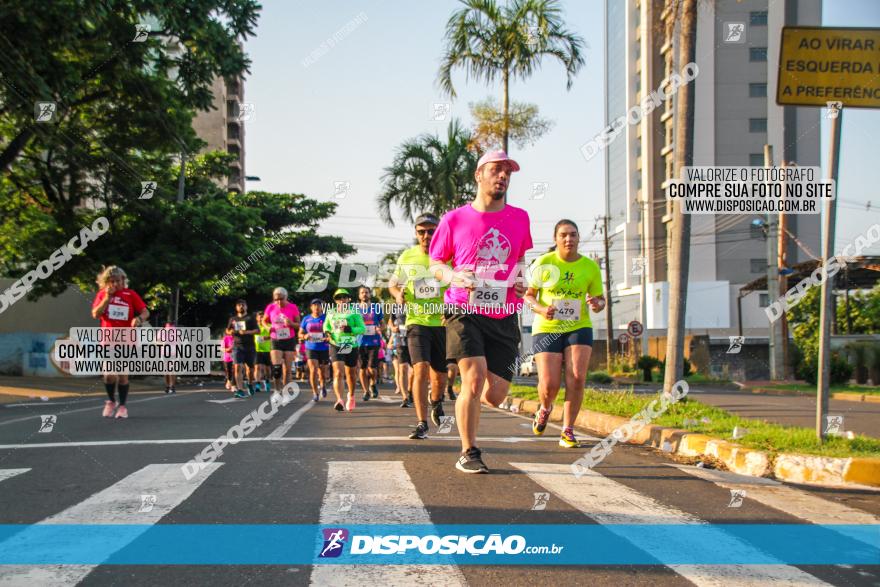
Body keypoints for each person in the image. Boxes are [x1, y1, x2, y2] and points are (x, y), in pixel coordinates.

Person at [429, 150, 532, 473]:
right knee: (472, 379)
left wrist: (520, 280)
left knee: (496, 395)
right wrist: (453, 276)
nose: (502, 176)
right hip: (463, 309)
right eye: (496, 170)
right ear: (478, 175)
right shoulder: (454, 219)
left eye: (507, 173)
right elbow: (436, 264)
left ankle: (467, 403)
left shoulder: (520, 217)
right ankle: (468, 451)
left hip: (503, 313)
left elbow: (518, 260)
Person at [524, 219, 605, 448]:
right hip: (548, 327)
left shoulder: (589, 267)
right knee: (550, 385)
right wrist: (541, 309)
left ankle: (567, 431)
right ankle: (545, 408)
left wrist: (597, 303)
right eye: (563, 235)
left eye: (573, 234)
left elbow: (600, 300)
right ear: (556, 239)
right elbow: (528, 296)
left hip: (578, 326)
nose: (568, 239)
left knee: (577, 377)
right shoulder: (543, 263)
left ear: (579, 238)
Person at [389, 213, 449, 440]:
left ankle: (437, 401)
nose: (426, 235)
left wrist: (452, 309)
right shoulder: (407, 256)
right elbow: (393, 285)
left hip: (442, 323)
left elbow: (460, 285)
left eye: (431, 231)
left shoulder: (448, 256)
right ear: (416, 233)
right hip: (417, 322)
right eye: (421, 231)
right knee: (420, 368)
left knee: (440, 375)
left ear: (439, 232)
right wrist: (398, 295)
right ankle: (422, 422)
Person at [91, 265, 150, 418]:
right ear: (106, 282)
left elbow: (145, 311)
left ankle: (123, 406)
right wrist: (106, 298)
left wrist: (139, 319)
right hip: (108, 340)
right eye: (112, 281)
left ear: (123, 280)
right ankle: (111, 401)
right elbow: (96, 314)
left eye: (118, 280)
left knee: (123, 375)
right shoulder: (102, 294)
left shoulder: (130, 294)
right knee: (109, 375)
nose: (116, 284)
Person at [323, 288, 366, 411]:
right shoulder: (331, 312)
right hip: (336, 344)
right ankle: (339, 400)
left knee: (351, 374)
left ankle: (351, 396)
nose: (342, 299)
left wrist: (350, 329)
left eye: (344, 297)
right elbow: (326, 325)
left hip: (350, 345)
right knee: (338, 372)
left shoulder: (354, 312)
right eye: (339, 297)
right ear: (335, 300)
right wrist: (327, 332)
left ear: (348, 299)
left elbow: (362, 328)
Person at [263, 287, 301, 392]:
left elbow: (299, 325)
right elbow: (264, 321)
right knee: (276, 369)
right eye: (276, 299)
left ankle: (285, 390)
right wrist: (268, 328)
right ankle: (277, 390)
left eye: (281, 299)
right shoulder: (270, 307)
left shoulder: (293, 307)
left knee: (287, 369)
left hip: (289, 340)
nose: (279, 301)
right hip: (276, 339)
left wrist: (291, 324)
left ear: (286, 297)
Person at [355, 285, 384, 401]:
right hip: (360, 342)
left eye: (366, 292)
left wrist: (379, 329)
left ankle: (372, 384)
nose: (364, 294)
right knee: (362, 369)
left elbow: (383, 324)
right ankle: (366, 391)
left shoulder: (376, 307)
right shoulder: (355, 309)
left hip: (374, 341)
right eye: (362, 292)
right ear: (359, 295)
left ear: (369, 294)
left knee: (372, 369)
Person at [228, 299, 260, 398]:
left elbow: (257, 331)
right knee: (237, 367)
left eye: (243, 305)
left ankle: (249, 383)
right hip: (237, 346)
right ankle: (240, 389)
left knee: (250, 370)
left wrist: (246, 332)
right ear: (236, 307)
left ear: (246, 307)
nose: (241, 306)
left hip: (250, 346)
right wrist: (231, 332)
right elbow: (228, 330)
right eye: (239, 305)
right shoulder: (233, 319)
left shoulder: (251, 318)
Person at [300, 298, 330, 402]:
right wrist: (305, 336)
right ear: (311, 307)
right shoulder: (306, 319)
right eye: (314, 305)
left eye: (319, 305)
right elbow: (300, 333)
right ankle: (315, 392)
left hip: (324, 347)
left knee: (322, 372)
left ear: (322, 307)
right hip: (311, 347)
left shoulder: (327, 318)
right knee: (313, 370)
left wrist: (328, 337)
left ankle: (323, 385)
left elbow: (332, 331)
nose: (317, 307)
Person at [388, 312, 413, 406]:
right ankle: (405, 397)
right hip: (400, 341)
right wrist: (392, 328)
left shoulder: (416, 302)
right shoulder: (395, 307)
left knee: (415, 371)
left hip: (414, 340)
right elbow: (390, 321)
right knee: (403, 368)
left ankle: (410, 390)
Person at [254, 311, 273, 393]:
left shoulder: (268, 326)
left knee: (267, 369)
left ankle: (267, 382)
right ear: (256, 318)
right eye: (259, 316)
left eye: (262, 316)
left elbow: (274, 336)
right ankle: (257, 384)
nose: (261, 318)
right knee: (257, 367)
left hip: (267, 350)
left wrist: (267, 338)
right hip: (257, 350)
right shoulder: (254, 327)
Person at [164, 321, 177, 394]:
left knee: (169, 370)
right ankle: (170, 386)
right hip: (169, 352)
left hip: (170, 353)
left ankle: (169, 386)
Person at [222, 327, 235, 392]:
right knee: (229, 372)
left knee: (234, 371)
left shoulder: (237, 338)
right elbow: (222, 348)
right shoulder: (226, 338)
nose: (232, 331)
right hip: (227, 358)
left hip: (235, 358)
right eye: (231, 330)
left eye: (233, 329)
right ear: (227, 331)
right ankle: (228, 381)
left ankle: (233, 385)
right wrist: (228, 349)